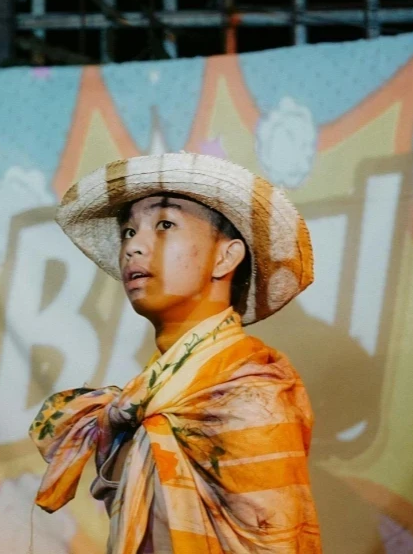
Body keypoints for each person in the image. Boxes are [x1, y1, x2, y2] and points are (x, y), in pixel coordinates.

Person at [29, 152, 322, 553]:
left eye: (165, 225)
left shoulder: (253, 391)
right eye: (129, 232)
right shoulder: (145, 397)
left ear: (226, 256)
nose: (134, 247)